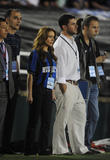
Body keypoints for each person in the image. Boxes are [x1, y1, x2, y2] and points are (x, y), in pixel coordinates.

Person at [52, 14, 89, 155]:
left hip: (75, 84)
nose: (76, 26)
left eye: (75, 23)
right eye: (72, 24)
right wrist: (62, 85)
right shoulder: (59, 44)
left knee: (79, 116)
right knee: (62, 119)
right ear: (64, 27)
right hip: (64, 84)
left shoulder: (72, 40)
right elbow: (59, 66)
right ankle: (60, 150)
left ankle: (79, 148)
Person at [75, 16, 107, 152]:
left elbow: (98, 63)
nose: (97, 30)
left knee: (94, 116)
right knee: (80, 115)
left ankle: (86, 144)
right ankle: (76, 144)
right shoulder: (76, 42)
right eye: (94, 27)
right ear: (85, 27)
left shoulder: (94, 43)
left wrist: (101, 78)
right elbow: (78, 63)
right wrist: (96, 59)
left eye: (98, 28)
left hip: (93, 84)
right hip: (81, 83)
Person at [24, 26, 57, 155]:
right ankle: (29, 149)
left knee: (47, 121)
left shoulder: (51, 54)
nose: (51, 40)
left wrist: (53, 91)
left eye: (53, 37)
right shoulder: (35, 53)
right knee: (34, 121)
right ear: (43, 37)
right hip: (37, 91)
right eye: (49, 37)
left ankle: (43, 148)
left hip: (48, 92)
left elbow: (52, 75)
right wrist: (30, 93)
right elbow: (30, 74)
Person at [2, 9, 22, 153]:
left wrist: (18, 76)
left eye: (20, 18)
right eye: (15, 18)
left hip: (13, 78)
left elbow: (15, 60)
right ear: (7, 20)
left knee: (10, 114)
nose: (19, 21)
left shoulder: (18, 39)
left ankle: (6, 144)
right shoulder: (3, 38)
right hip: (3, 78)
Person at [0, 17, 14, 153]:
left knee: (2, 120)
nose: (7, 30)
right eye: (4, 27)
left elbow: (9, 68)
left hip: (5, 87)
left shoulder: (7, 47)